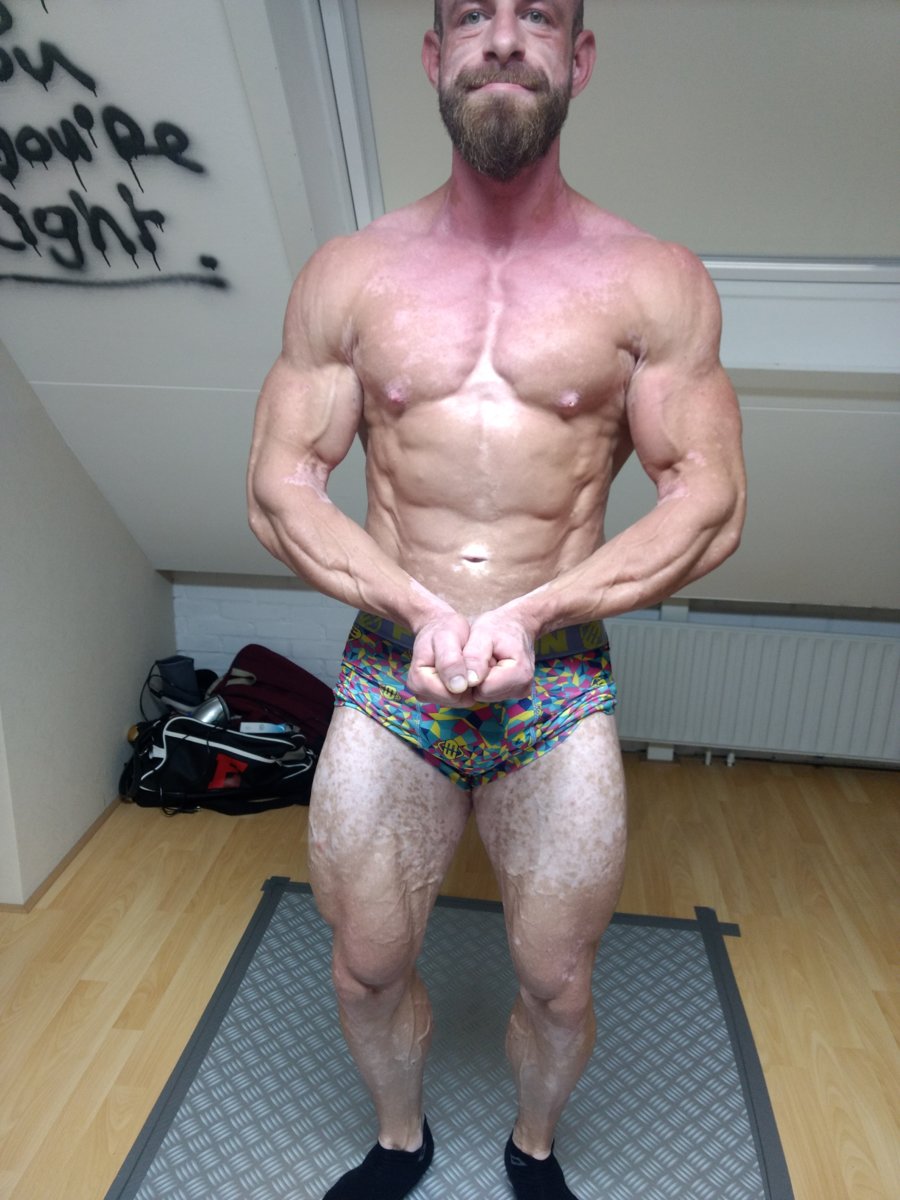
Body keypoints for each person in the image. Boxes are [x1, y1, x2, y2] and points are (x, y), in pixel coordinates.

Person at [247, 2, 746, 1197]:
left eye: (539, 16)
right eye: (473, 14)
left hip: (556, 684)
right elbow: (280, 485)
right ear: (437, 56)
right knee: (365, 965)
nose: (505, 37)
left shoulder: (654, 281)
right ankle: (399, 1139)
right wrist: (420, 611)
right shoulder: (350, 274)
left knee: (557, 980)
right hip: (391, 673)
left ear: (578, 57)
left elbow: (710, 500)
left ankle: (533, 1149)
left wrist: (529, 615)